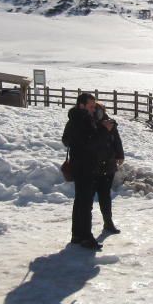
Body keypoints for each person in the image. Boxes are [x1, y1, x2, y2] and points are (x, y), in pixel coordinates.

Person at [62, 93, 113, 250]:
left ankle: (77, 235)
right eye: (90, 106)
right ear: (81, 105)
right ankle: (86, 237)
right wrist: (104, 130)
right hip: (85, 166)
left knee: (80, 202)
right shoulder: (83, 120)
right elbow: (91, 143)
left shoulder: (73, 119)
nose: (93, 109)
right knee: (85, 204)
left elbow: (66, 140)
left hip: (79, 165)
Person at [92, 103, 124, 234]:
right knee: (92, 196)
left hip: (108, 163)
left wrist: (120, 154)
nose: (97, 112)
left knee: (105, 195)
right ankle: (86, 228)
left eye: (99, 110)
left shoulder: (110, 123)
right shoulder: (91, 123)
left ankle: (108, 222)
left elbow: (116, 139)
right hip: (94, 164)